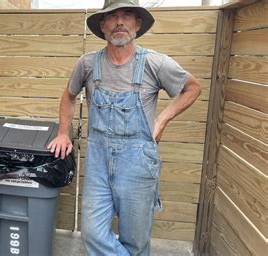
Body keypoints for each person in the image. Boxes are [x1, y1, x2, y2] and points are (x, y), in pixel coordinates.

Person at [47, 0, 202, 255]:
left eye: (128, 15)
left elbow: (192, 88)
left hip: (138, 162)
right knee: (92, 233)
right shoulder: (87, 64)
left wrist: (161, 120)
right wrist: (63, 132)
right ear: (103, 25)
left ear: (137, 24)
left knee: (135, 241)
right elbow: (69, 96)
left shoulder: (155, 63)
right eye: (113, 16)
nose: (120, 22)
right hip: (98, 162)